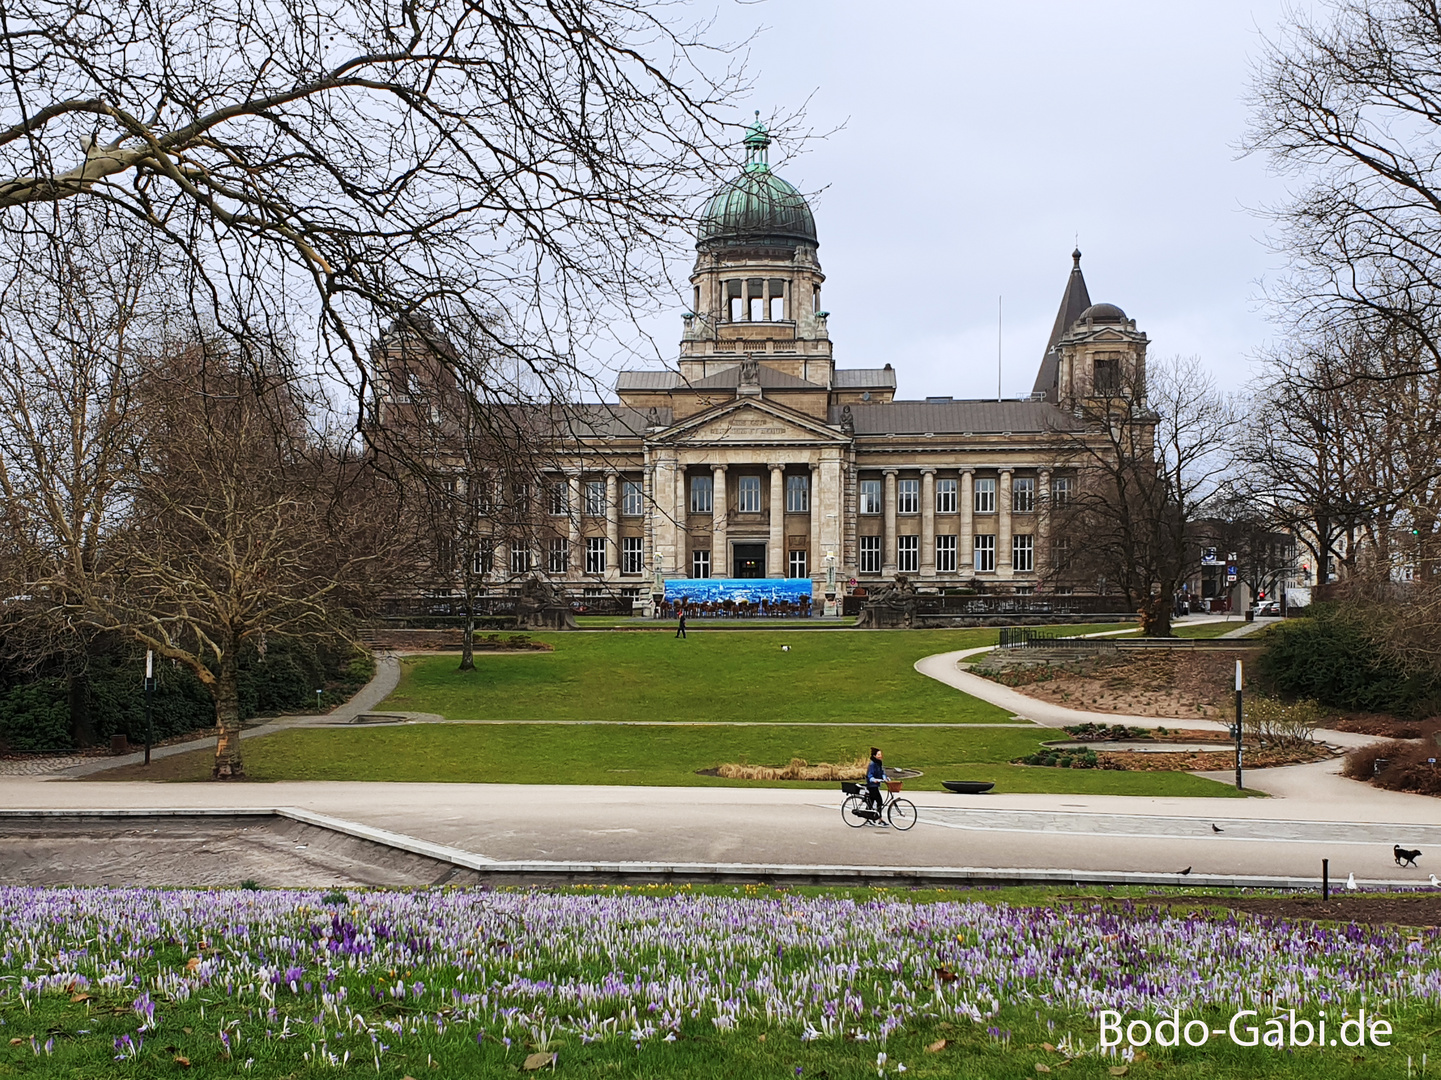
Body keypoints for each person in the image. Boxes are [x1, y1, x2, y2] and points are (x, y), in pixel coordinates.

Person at [864, 747, 888, 827]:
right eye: (879, 754)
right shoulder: (872, 764)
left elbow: (882, 772)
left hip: (876, 785)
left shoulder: (879, 763)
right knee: (879, 801)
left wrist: (884, 777)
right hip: (872, 785)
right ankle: (879, 819)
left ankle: (868, 818)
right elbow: (869, 774)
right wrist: (873, 779)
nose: (880, 756)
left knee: (871, 802)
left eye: (881, 754)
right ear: (874, 756)